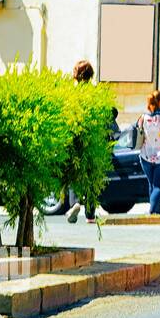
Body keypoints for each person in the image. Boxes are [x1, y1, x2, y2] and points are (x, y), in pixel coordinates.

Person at [65, 59, 112, 224]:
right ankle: (90, 214)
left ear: (76, 75)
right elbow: (111, 112)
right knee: (92, 176)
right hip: (95, 141)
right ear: (91, 75)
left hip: (77, 139)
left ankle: (75, 203)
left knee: (75, 174)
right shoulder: (97, 93)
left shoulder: (72, 94)